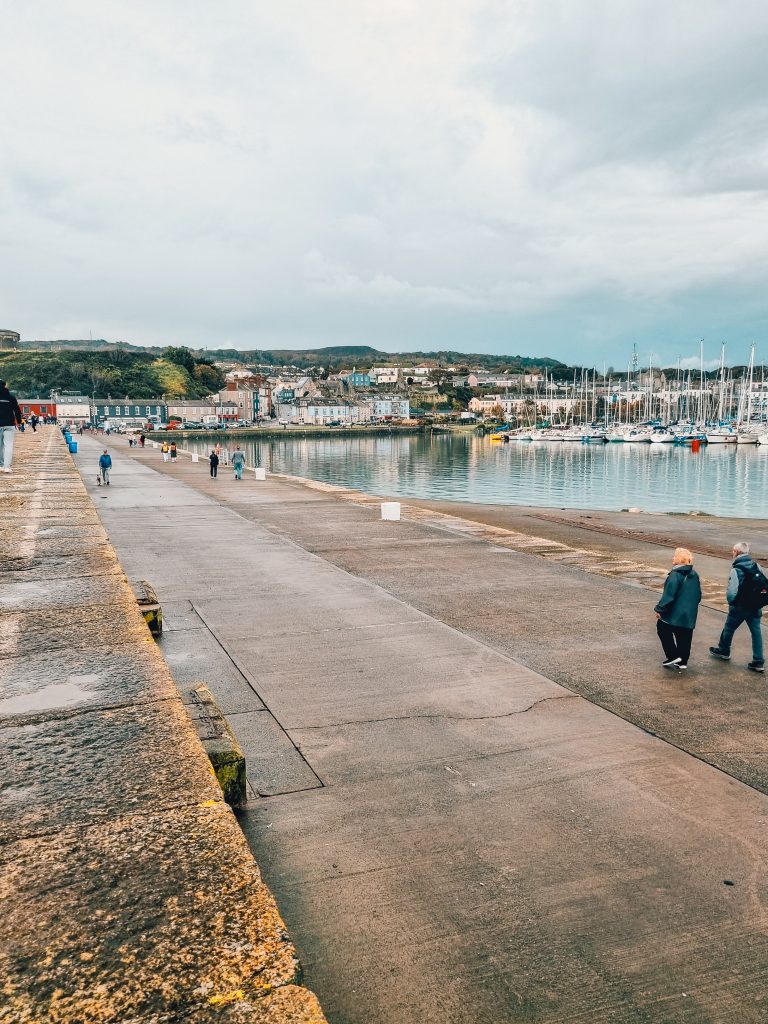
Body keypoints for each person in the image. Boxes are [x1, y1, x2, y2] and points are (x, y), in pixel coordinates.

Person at [710, 542, 765, 673]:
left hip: (740, 607)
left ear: (736, 552)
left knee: (729, 628)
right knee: (756, 633)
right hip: (755, 606)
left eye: (733, 551)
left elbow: (732, 591)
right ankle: (758, 661)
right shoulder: (757, 566)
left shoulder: (736, 569)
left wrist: (731, 603)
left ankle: (724, 650)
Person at [654, 547, 702, 671]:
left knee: (662, 628)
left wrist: (659, 609)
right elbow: (698, 595)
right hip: (690, 613)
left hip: (675, 613)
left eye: (675, 556)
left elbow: (669, 596)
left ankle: (673, 655)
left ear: (680, 559)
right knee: (685, 636)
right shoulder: (694, 574)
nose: (673, 558)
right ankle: (683, 661)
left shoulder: (675, 575)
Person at [0, 379, 22, 473]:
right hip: (9, 424)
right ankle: (7, 467)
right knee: (8, 445)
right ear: (5, 386)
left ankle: (0, 465)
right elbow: (17, 410)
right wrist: (19, 422)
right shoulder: (11, 397)